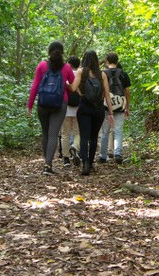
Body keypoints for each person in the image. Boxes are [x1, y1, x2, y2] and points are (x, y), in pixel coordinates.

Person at [27, 41, 76, 175]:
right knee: (54, 134)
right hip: (60, 103)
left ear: (49, 52)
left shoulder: (42, 65)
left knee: (45, 133)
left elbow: (35, 86)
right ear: (62, 52)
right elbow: (72, 84)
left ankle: (46, 162)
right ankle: (48, 165)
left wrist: (30, 105)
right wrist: (65, 85)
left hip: (43, 103)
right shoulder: (66, 67)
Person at [69, 50, 113, 176]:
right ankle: (92, 163)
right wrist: (110, 113)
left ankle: (85, 164)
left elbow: (72, 88)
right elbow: (107, 96)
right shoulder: (103, 74)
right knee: (93, 137)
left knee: (84, 136)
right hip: (98, 109)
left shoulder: (81, 72)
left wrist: (70, 86)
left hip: (84, 108)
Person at [98, 53, 131, 164]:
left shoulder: (103, 74)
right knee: (118, 131)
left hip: (106, 106)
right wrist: (127, 107)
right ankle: (118, 153)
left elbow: (101, 92)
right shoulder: (124, 74)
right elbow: (127, 92)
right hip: (120, 105)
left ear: (106, 61)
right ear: (117, 61)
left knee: (105, 132)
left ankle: (103, 156)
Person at [60, 55, 81, 167]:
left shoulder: (65, 73)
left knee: (65, 134)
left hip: (66, 108)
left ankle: (66, 159)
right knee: (78, 132)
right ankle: (75, 148)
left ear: (69, 63)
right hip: (78, 109)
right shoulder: (80, 74)